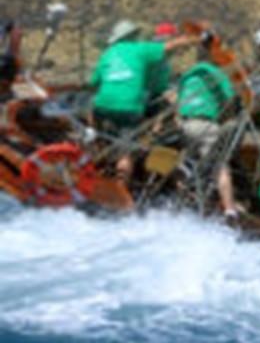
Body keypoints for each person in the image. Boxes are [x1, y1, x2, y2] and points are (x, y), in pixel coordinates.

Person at [88, 19, 202, 177]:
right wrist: (195, 38)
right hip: (129, 108)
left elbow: (93, 84)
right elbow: (170, 47)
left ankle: (93, 144)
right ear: (133, 36)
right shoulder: (141, 49)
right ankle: (122, 186)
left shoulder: (106, 55)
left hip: (102, 107)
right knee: (126, 153)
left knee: (96, 123)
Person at [176, 38, 242, 218]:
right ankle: (230, 210)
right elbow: (231, 101)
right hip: (205, 125)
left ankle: (183, 202)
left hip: (184, 125)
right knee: (220, 165)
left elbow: (178, 100)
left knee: (187, 160)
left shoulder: (188, 74)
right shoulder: (217, 73)